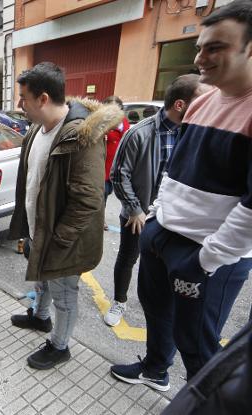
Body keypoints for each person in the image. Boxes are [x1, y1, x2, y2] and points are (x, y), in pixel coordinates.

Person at [111, 0, 252, 391]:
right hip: (162, 234)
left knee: (197, 343)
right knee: (156, 312)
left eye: (215, 47)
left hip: (206, 253)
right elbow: (177, 169)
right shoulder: (203, 100)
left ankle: (202, 400)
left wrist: (206, 260)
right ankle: (156, 369)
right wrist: (157, 213)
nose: (200, 57)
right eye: (200, 46)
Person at [8, 62, 123, 370]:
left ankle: (60, 347)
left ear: (43, 98)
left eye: (23, 98)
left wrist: (59, 239)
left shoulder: (81, 136)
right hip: (40, 230)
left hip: (62, 239)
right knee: (43, 283)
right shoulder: (36, 130)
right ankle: (40, 318)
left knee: (64, 294)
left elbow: (88, 200)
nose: (19, 105)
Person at [104, 75, 210, 327]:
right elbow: (118, 175)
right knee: (128, 258)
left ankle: (158, 310)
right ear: (180, 105)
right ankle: (119, 301)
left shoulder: (195, 134)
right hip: (139, 215)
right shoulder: (139, 133)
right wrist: (134, 209)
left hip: (174, 219)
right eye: (202, 100)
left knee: (163, 268)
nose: (208, 105)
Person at [102, 96, 129, 228]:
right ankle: (100, 219)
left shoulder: (124, 121)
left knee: (111, 190)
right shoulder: (102, 122)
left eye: (116, 108)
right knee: (103, 193)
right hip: (103, 164)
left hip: (118, 163)